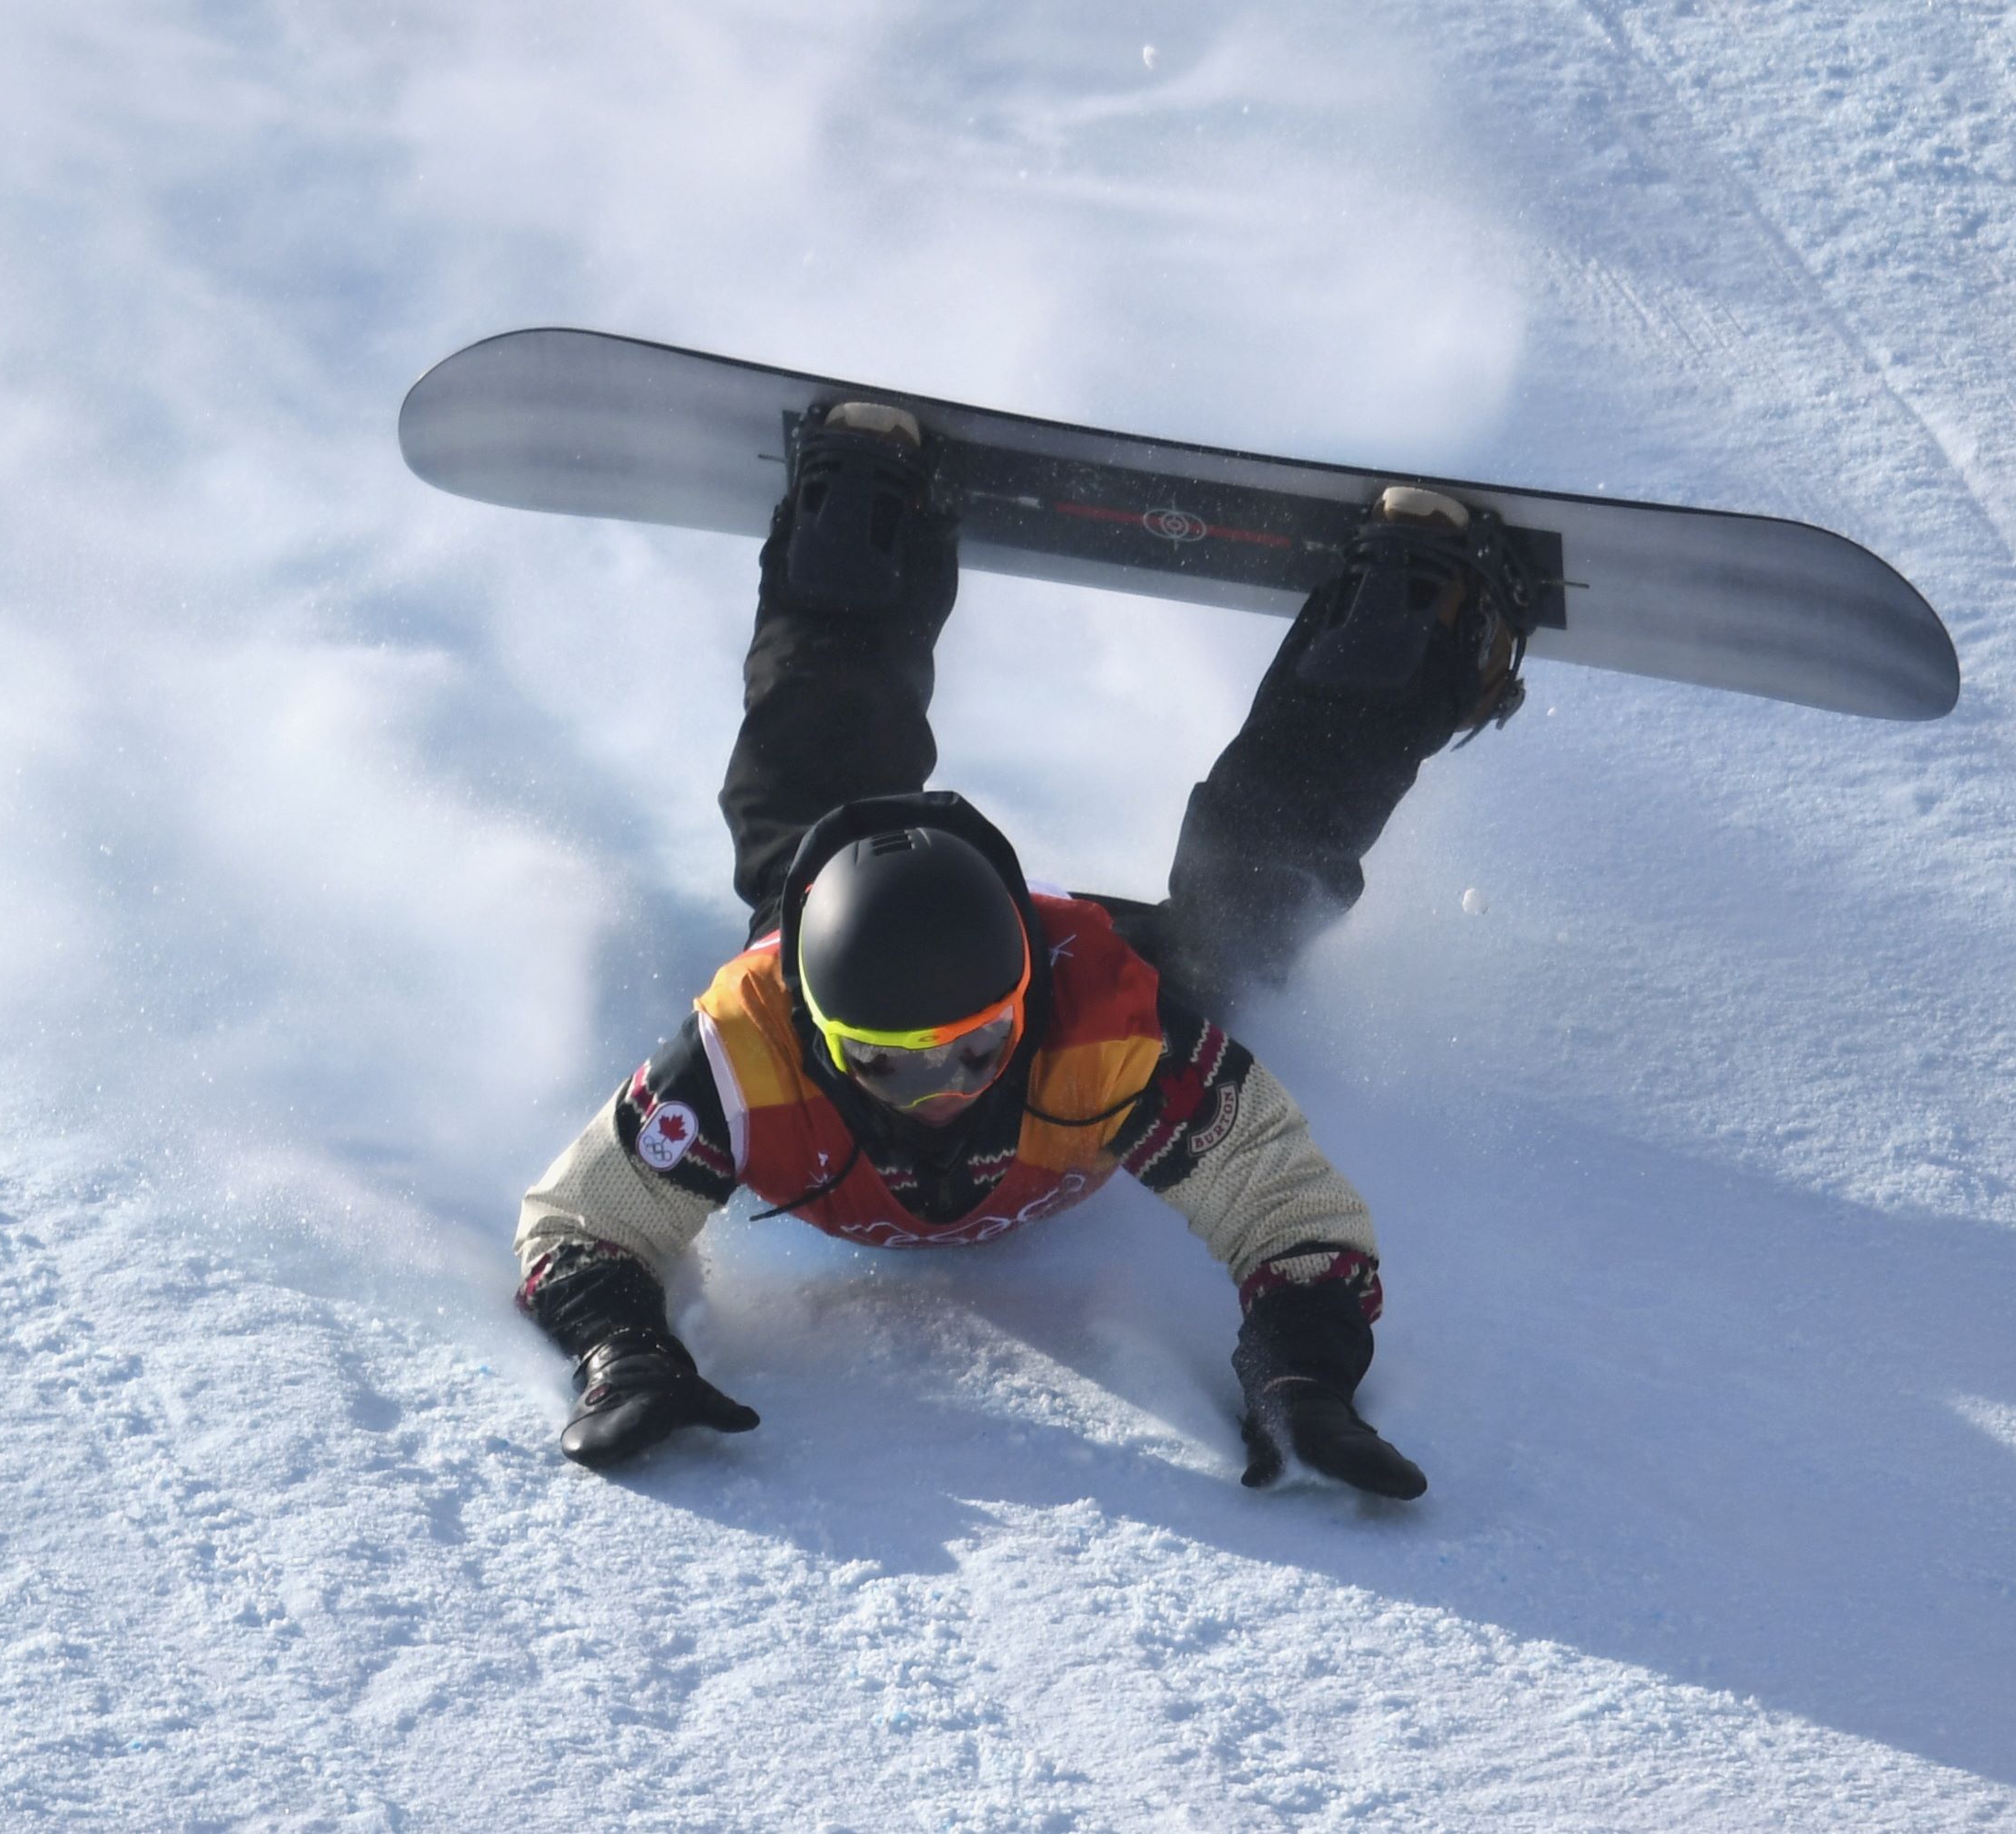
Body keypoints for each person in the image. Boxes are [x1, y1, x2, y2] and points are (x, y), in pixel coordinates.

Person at [511, 398, 1536, 1496]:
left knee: (1234, 927)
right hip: (844, 926)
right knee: (793, 827)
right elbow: (580, 1225)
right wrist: (623, 1350)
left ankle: (1400, 631)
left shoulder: (1109, 1025)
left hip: (1072, 952)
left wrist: (1300, 1372)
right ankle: (859, 524)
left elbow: (1288, 1211)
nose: (939, 1089)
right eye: (886, 1058)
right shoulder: (745, 1050)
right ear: (817, 1027)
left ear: (1025, 998)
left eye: (976, 1045)